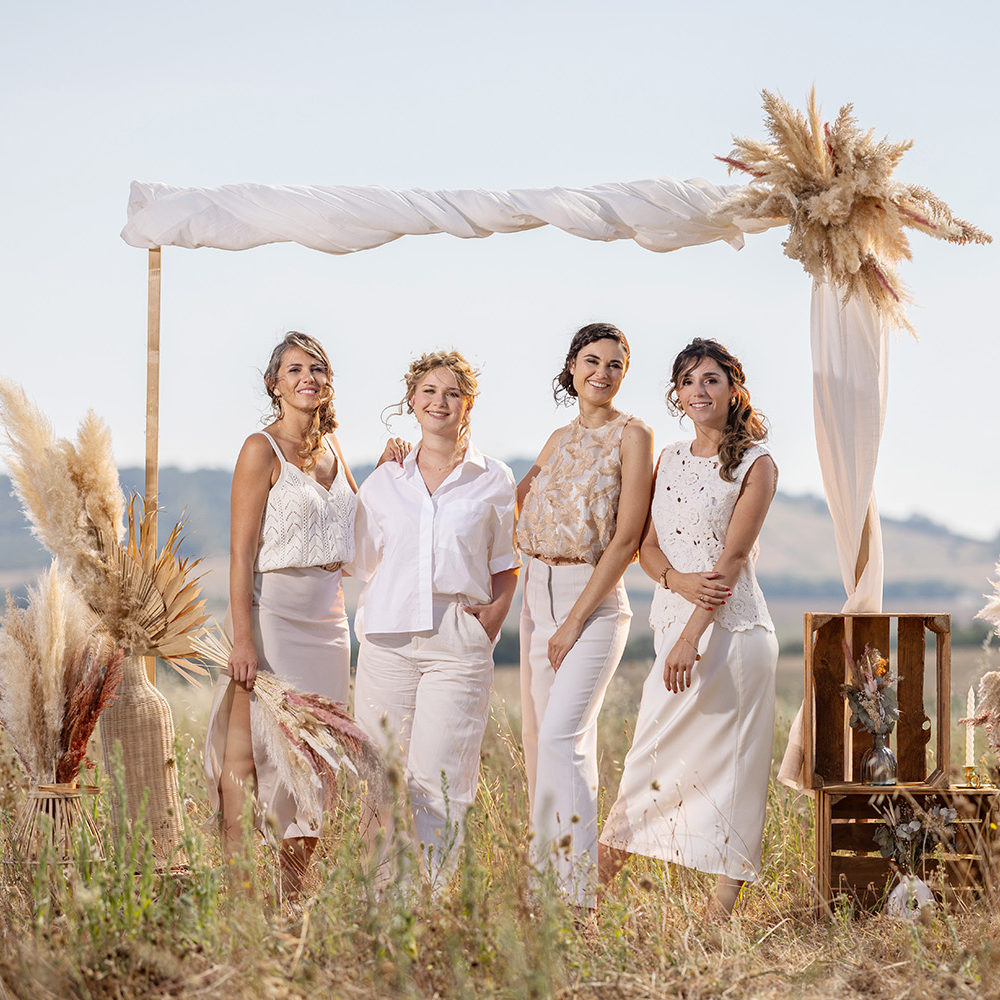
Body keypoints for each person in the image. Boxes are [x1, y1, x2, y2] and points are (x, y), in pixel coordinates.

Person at [204, 331, 405, 898]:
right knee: (251, 754)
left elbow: (353, 526)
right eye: (295, 370)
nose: (308, 379)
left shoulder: (334, 447)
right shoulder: (258, 450)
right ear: (275, 384)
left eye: (317, 368)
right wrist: (243, 641)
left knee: (317, 760)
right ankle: (239, 887)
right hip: (273, 618)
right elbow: (241, 553)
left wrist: (384, 472)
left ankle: (294, 890)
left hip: (330, 621)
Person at [598, 337, 778, 917]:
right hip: (677, 626)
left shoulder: (758, 464)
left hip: (733, 636)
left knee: (736, 769)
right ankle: (585, 896)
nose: (699, 391)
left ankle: (719, 915)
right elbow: (646, 550)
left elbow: (730, 563)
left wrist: (689, 637)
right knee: (646, 759)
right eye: (688, 381)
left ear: (734, 389)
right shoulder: (669, 458)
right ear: (677, 394)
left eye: (711, 380)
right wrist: (675, 584)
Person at [350, 350, 519, 888]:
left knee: (441, 782)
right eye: (428, 391)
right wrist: (374, 478)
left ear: (468, 404)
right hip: (388, 642)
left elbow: (506, 565)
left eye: (451, 393)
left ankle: (432, 907)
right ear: (412, 401)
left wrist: (487, 624)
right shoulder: (384, 481)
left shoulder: (493, 479)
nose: (439, 401)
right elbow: (359, 562)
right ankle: (380, 906)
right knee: (378, 777)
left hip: (457, 640)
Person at [517, 322, 653, 909]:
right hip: (536, 595)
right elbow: (510, 503)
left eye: (615, 364)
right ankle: (548, 881)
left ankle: (574, 898)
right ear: (571, 366)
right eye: (592, 360)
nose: (602, 372)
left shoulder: (634, 435)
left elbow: (625, 540)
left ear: (625, 374)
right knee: (554, 746)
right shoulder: (556, 438)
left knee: (561, 739)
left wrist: (573, 620)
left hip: (591, 604)